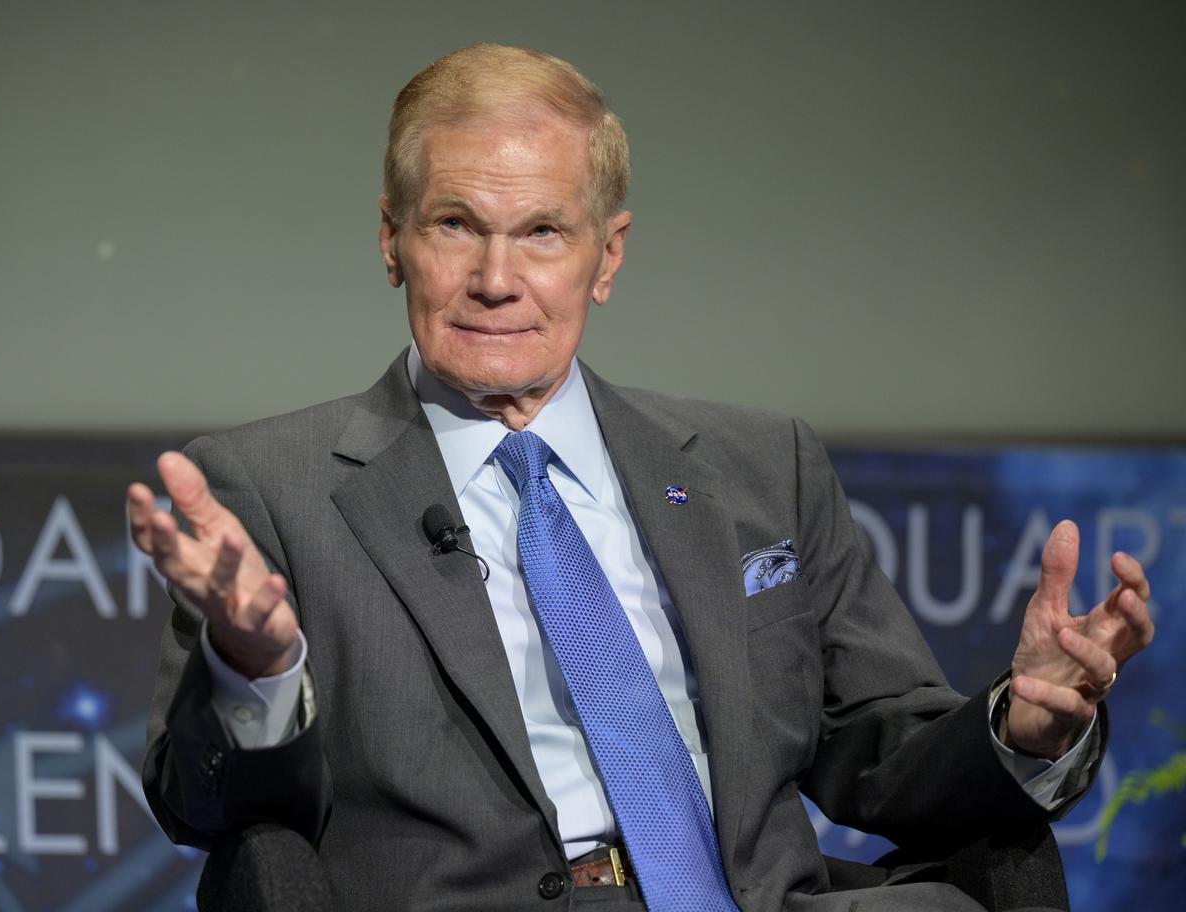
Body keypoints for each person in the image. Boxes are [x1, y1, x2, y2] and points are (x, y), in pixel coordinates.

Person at [130, 45, 1154, 911]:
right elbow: (205, 811)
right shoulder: (273, 487)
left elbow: (873, 748)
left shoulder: (760, 466)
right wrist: (256, 672)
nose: (496, 279)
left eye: (541, 232)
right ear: (391, 241)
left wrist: (1017, 728)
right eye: (454, 225)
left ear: (605, 256)